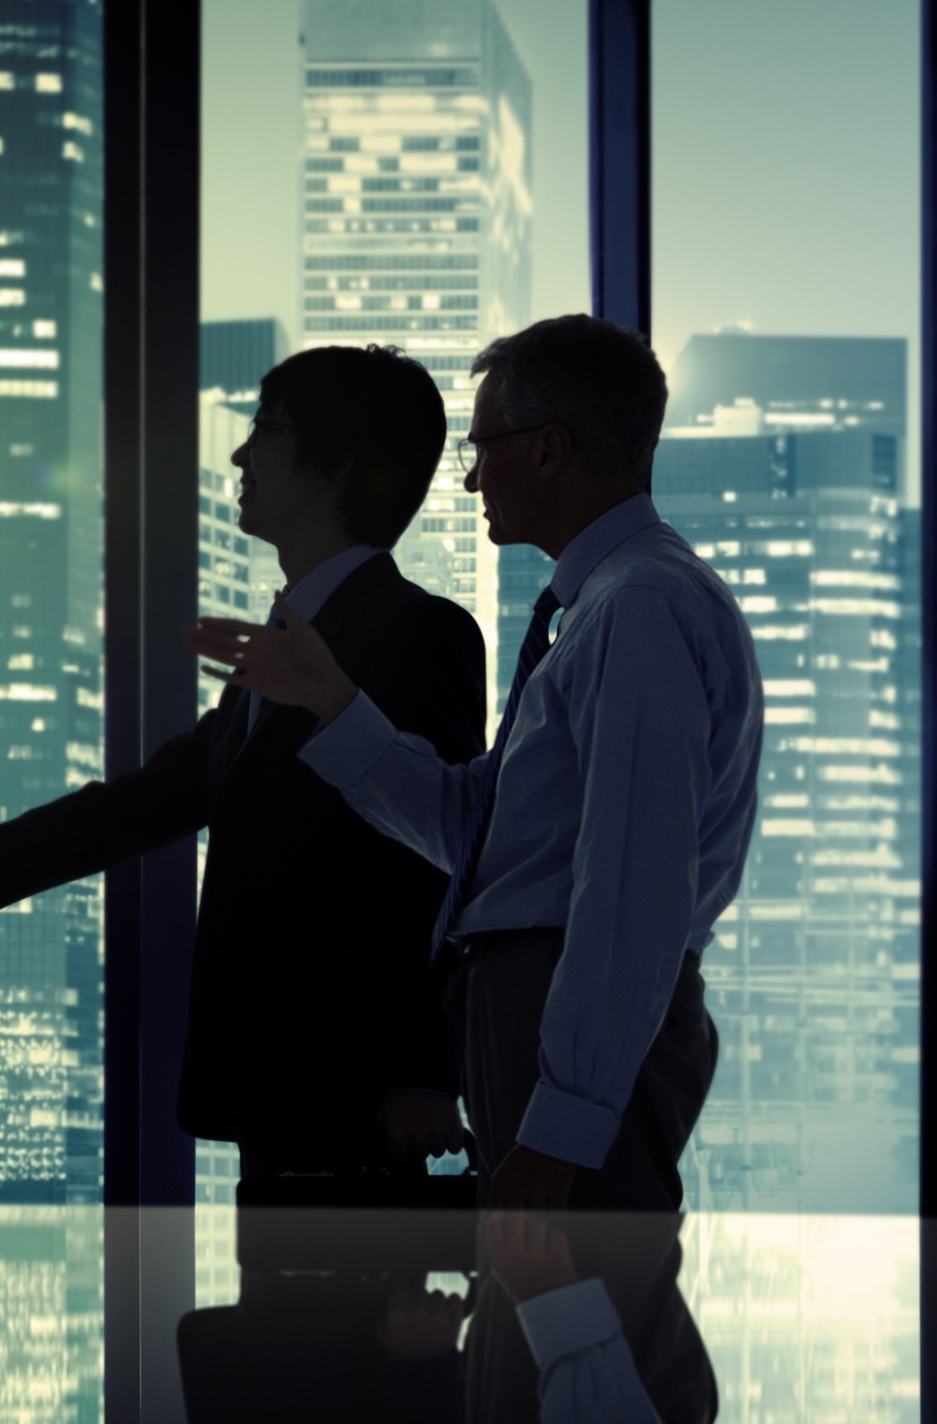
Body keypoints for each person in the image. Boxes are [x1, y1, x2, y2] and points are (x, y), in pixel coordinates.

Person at [193, 312, 754, 1424]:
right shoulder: (599, 609)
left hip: (561, 1017)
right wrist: (331, 703)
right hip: (541, 1014)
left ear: (550, 447)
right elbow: (478, 831)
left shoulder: (635, 612)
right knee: (555, 1347)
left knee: (586, 1324)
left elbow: (630, 891)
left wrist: (565, 1116)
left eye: (485, 446)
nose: (467, 477)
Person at [0, 344, 486, 1181]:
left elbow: (431, 859)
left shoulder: (416, 632)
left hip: (356, 1102)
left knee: (333, 1306)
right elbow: (154, 800)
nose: (239, 455)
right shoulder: (283, 647)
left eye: (264, 428)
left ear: (333, 465)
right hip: (275, 1086)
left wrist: (422, 1073)